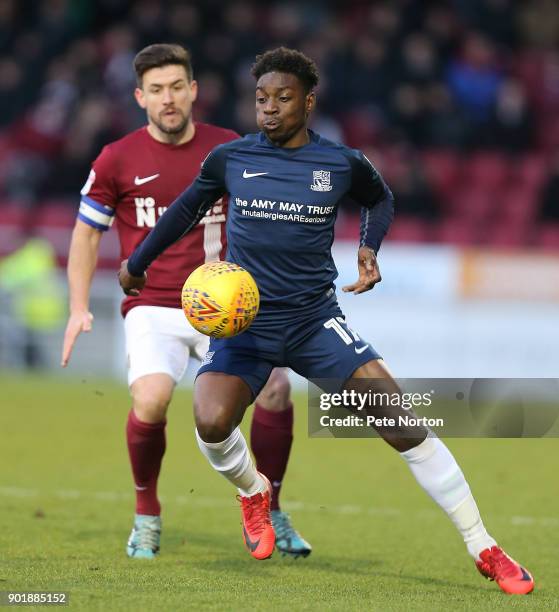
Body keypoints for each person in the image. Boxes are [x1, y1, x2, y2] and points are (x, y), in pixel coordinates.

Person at [119, 47, 534, 594]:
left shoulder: (340, 163)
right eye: (261, 98)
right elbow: (182, 212)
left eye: (282, 98)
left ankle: (484, 545)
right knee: (211, 423)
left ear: (309, 102)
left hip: (315, 321)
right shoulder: (231, 160)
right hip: (246, 324)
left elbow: (379, 199)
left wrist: (369, 248)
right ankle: (253, 493)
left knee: (403, 422)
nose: (268, 109)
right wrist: (138, 264)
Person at [61, 43, 311, 560]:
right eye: (156, 90)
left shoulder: (232, 150)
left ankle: (273, 508)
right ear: (139, 97)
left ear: (194, 90)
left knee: (278, 392)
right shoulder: (117, 159)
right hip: (153, 305)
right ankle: (147, 514)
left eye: (177, 87)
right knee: (151, 399)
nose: (168, 99)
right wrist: (78, 306)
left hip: (226, 305)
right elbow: (86, 236)